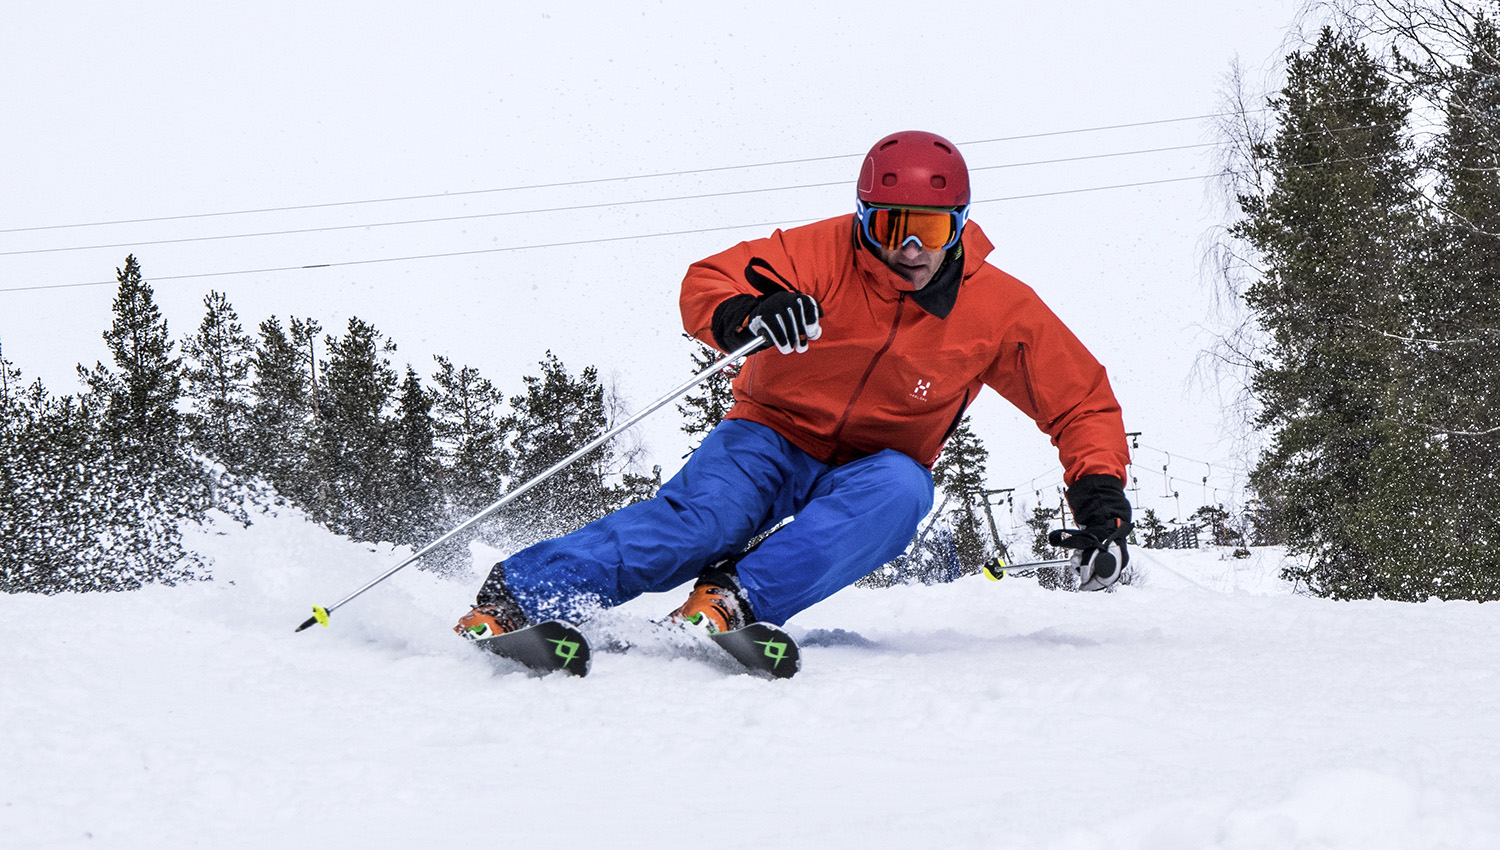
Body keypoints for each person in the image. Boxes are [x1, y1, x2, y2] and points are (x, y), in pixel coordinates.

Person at [456, 130, 1132, 640]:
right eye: (891, 228)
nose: (910, 251)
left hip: (875, 465)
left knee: (903, 492)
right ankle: (520, 596)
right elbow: (708, 281)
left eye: (928, 230)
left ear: (959, 225)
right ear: (864, 218)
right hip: (769, 434)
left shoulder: (998, 308)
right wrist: (750, 313)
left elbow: (1080, 400)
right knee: (705, 522)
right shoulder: (821, 251)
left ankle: (730, 601)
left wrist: (1100, 499)